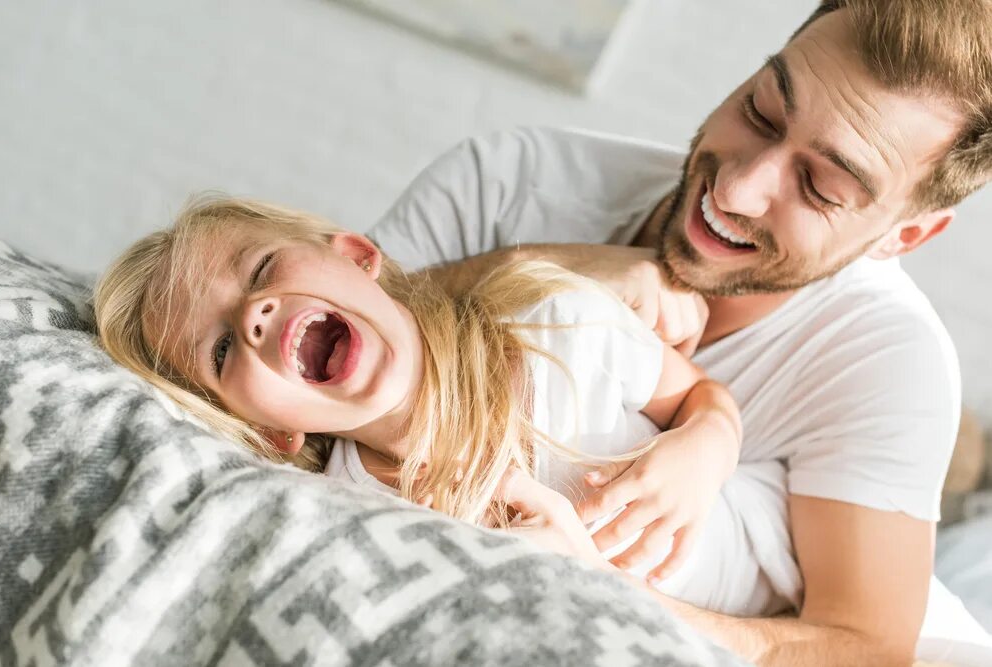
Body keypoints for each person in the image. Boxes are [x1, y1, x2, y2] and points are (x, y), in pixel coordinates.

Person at [365, 0, 992, 664]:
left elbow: (863, 646)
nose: (738, 189)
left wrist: (588, 583)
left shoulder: (884, 363)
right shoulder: (509, 184)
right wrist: (530, 271)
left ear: (903, 236)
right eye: (759, 111)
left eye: (819, 187)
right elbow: (304, 324)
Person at [93, 196, 743, 587]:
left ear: (354, 255)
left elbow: (703, 398)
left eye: (260, 268)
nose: (253, 315)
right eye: (222, 349)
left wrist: (704, 448)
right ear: (268, 430)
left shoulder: (558, 317)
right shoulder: (354, 516)